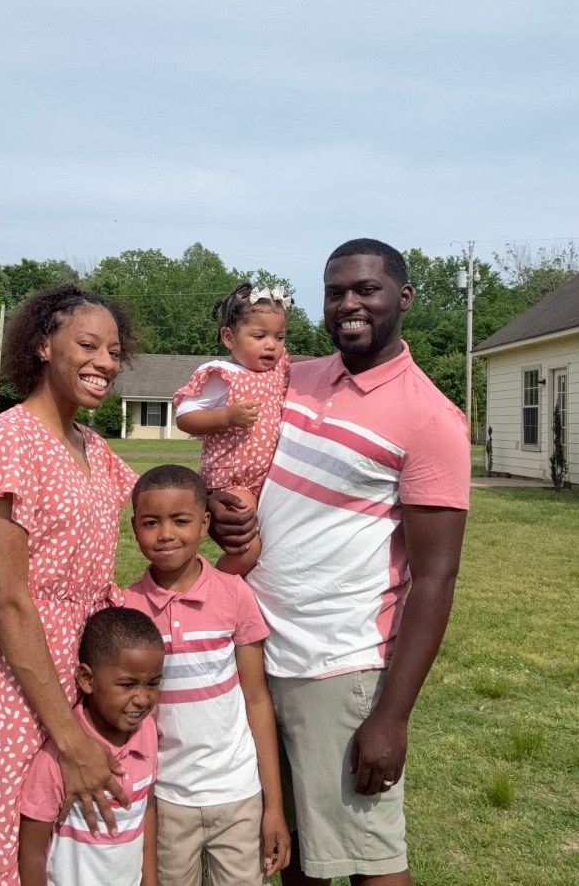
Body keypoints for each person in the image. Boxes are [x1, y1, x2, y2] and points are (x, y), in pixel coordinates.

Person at [210, 239, 470, 885]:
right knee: (294, 851)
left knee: (368, 860)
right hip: (257, 652)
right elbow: (240, 458)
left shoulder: (430, 418)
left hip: (339, 667)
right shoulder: (292, 377)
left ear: (403, 298)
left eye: (366, 289)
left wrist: (392, 717)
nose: (348, 303)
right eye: (335, 292)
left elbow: (436, 577)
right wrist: (223, 509)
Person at [0, 285, 139, 886]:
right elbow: (7, 600)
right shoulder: (10, 439)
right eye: (89, 345)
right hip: (16, 680)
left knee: (75, 856)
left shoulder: (94, 448)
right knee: (11, 860)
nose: (105, 362)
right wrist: (70, 739)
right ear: (43, 346)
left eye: (114, 352)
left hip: (82, 667)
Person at [123, 464, 291, 886]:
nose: (166, 534)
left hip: (238, 795)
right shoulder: (125, 609)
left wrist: (274, 807)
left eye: (180, 521)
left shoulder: (234, 594)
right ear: (134, 527)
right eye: (151, 522)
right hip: (164, 799)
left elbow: (256, 699)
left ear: (204, 524)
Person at [18, 607, 164, 886]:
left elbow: (146, 809)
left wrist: (150, 880)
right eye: (128, 685)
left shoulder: (147, 732)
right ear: (86, 679)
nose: (143, 699)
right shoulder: (59, 758)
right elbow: (31, 853)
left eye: (153, 683)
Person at [173, 282, 291, 576]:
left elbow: (302, 364)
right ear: (229, 337)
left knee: (271, 542)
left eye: (279, 337)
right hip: (231, 479)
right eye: (259, 336)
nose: (271, 345)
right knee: (248, 548)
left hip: (265, 480)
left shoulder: (277, 371)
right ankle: (215, 587)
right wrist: (226, 417)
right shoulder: (222, 375)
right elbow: (184, 417)